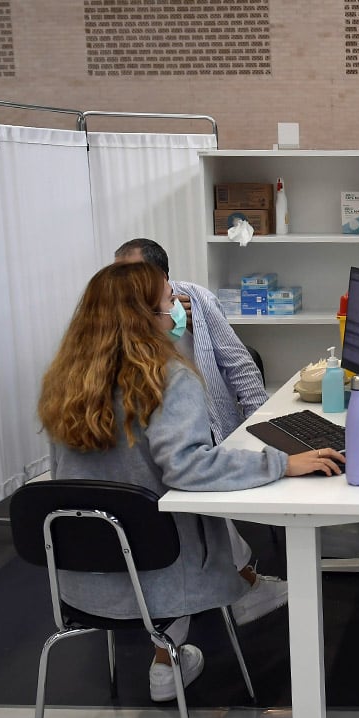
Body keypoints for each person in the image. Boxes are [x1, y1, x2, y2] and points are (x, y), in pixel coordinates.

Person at [38, 262, 345, 702]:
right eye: (168, 303)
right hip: (160, 575)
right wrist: (281, 464)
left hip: (80, 582)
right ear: (146, 317)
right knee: (195, 524)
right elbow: (189, 468)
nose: (179, 309)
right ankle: (222, 611)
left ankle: (202, 628)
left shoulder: (63, 385)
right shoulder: (167, 378)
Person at [115, 238, 287, 641]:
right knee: (178, 496)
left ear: (165, 281)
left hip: (205, 438)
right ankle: (233, 594)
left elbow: (240, 366)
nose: (126, 289)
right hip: (153, 464)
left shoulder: (196, 304)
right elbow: (183, 462)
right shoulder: (113, 330)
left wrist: (264, 427)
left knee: (184, 490)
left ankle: (173, 643)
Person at [114, 238, 268, 443]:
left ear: (161, 277)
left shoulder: (196, 299)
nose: (121, 283)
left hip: (211, 427)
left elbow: (240, 365)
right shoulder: (111, 312)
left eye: (132, 274)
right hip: (149, 430)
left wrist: (259, 432)